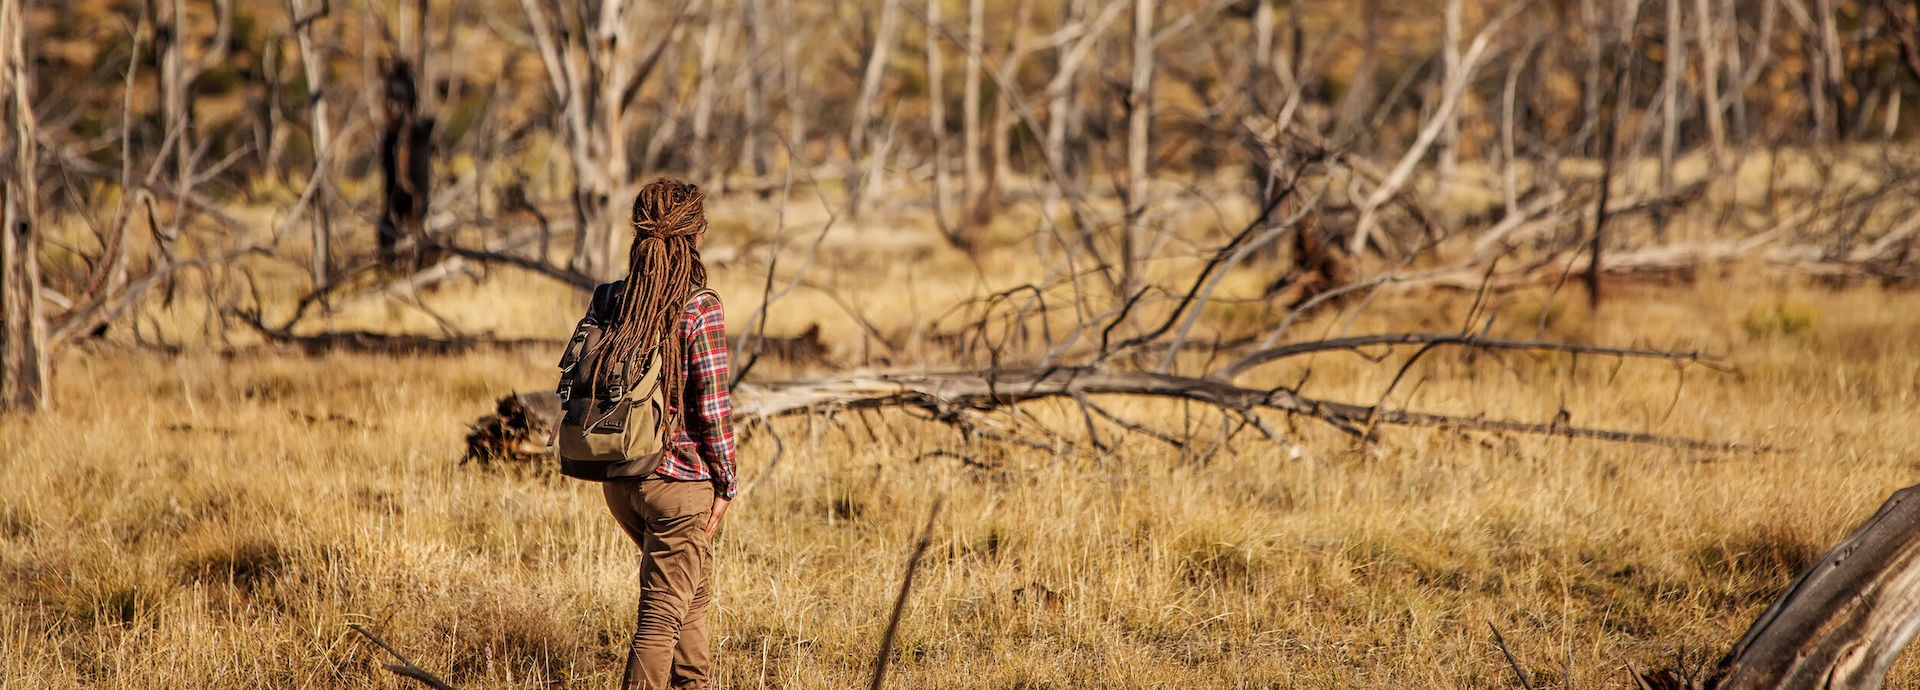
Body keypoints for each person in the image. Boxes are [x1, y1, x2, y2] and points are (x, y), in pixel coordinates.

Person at [588, 178, 736, 690]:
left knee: (689, 596)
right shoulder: (699, 305)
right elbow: (713, 409)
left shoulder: (610, 298)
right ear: (695, 234)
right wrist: (726, 483)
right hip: (679, 484)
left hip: (618, 475)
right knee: (660, 616)